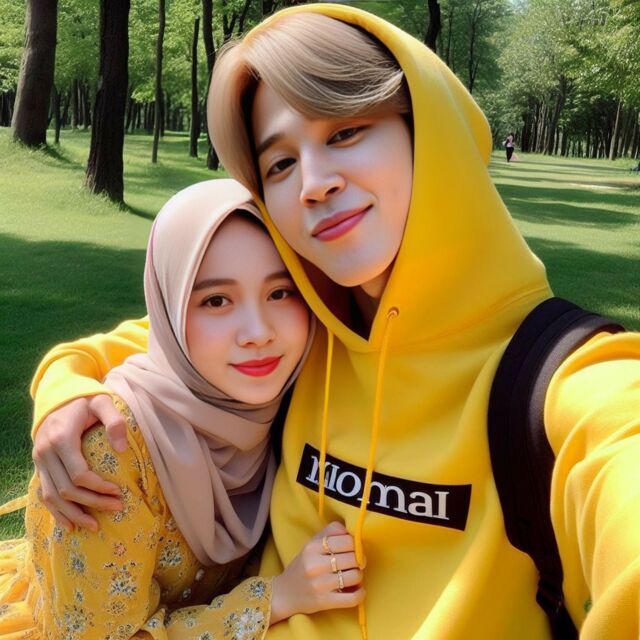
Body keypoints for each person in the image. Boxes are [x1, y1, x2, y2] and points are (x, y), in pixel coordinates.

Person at [22, 5, 640, 640]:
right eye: (280, 164)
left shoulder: (563, 384)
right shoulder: (305, 330)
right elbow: (157, 341)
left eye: (345, 132)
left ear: (429, 133)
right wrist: (64, 387)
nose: (313, 184)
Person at [0, 179, 366, 638]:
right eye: (216, 300)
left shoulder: (286, 389)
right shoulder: (110, 453)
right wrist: (275, 598)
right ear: (170, 311)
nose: (258, 333)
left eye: (281, 292)